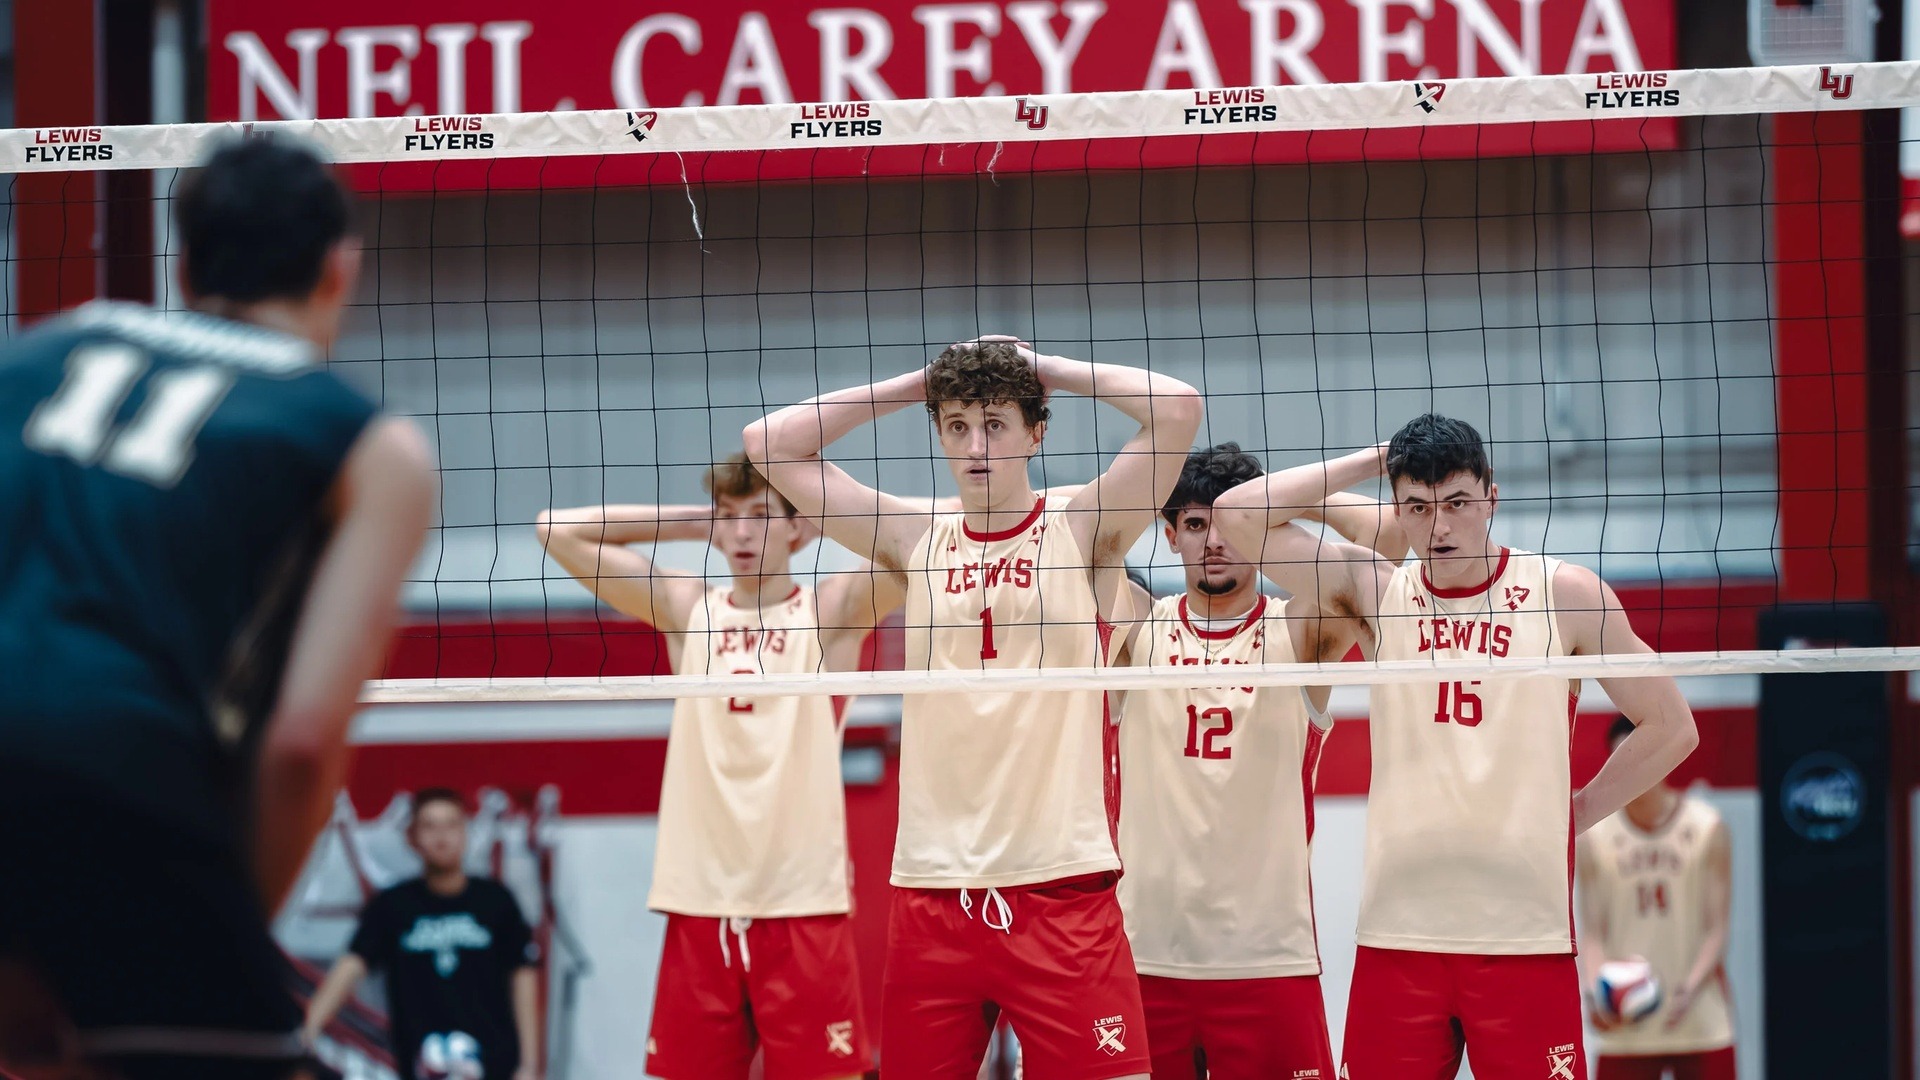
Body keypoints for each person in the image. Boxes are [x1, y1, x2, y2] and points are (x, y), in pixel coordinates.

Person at [0, 139, 435, 1079]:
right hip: (112, 769)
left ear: (186, 264)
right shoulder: (368, 442)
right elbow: (300, 741)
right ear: (337, 268)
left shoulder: (43, 348)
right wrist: (231, 925)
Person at [745, 336, 1201, 1080]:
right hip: (933, 892)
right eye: (956, 427)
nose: (976, 446)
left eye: (996, 424)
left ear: (1035, 431)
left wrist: (1044, 371)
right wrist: (922, 382)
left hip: (1061, 885)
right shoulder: (914, 535)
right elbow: (768, 447)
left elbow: (1177, 409)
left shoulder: (1081, 527)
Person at [1212, 413, 1699, 1080]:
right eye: (1417, 507)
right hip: (1398, 936)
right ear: (1396, 511)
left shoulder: (1565, 595)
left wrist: (1578, 811)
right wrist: (1381, 454)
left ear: (1491, 498)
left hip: (1524, 936)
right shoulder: (1375, 590)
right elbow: (1237, 514)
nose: (1439, 528)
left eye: (1457, 504)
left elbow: (1672, 725)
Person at [536, 453, 896, 1080]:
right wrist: (693, 521)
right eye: (728, 519)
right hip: (701, 898)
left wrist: (818, 503)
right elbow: (554, 530)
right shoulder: (687, 608)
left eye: (758, 517)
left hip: (801, 900)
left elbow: (915, 544)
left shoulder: (832, 609)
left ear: (797, 528)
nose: (740, 534)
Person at [1114, 443, 1407, 1079]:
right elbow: (1085, 544)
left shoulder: (1303, 629)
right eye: (1196, 524)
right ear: (1170, 537)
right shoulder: (1136, 627)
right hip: (1145, 959)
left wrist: (1279, 501)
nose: (1214, 540)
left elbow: (1383, 537)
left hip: (1268, 960)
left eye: (1229, 521)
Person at [304, 789, 541, 1080]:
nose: (441, 836)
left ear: (466, 832)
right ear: (412, 837)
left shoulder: (496, 902)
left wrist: (529, 1065)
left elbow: (523, 977)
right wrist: (308, 1029)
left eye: (451, 825)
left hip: (495, 1065)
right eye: (430, 826)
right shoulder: (393, 906)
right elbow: (351, 966)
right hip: (418, 1065)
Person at [1577, 716, 1736, 1080]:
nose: (1634, 774)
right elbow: (1594, 932)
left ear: (1664, 760)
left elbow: (1716, 929)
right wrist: (1594, 993)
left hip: (1699, 1019)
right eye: (1623, 763)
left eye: (1642, 760)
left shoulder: (1706, 826)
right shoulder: (1596, 837)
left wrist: (1688, 990)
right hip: (1626, 1022)